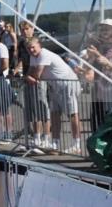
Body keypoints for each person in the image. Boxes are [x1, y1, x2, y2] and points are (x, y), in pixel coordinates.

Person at [27, 37, 82, 154]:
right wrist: (28, 76)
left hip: (68, 84)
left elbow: (36, 75)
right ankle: (55, 144)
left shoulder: (44, 54)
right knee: (54, 115)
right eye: (29, 48)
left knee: (72, 114)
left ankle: (77, 145)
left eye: (33, 47)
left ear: (39, 45)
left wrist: (29, 77)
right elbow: (30, 72)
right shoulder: (33, 56)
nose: (31, 50)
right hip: (55, 86)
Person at [17, 20, 50, 148]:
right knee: (31, 109)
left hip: (37, 78)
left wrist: (33, 76)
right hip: (27, 77)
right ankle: (36, 137)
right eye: (22, 29)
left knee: (42, 108)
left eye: (26, 28)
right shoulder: (21, 45)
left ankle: (46, 138)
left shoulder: (37, 43)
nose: (24, 31)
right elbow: (21, 60)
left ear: (32, 29)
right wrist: (17, 71)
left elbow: (40, 63)